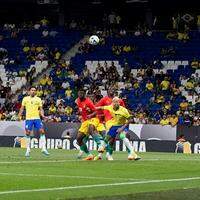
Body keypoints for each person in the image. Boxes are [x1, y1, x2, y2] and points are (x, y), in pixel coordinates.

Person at [18, 86, 49, 157]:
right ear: (29, 91)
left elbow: (41, 109)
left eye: (35, 90)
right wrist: (19, 115)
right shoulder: (25, 99)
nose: (33, 91)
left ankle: (43, 149)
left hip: (37, 118)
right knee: (28, 133)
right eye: (32, 90)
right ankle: (28, 150)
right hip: (28, 118)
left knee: (42, 131)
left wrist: (43, 115)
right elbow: (22, 108)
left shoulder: (38, 99)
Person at [75, 89, 105, 160]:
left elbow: (96, 112)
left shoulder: (88, 102)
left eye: (81, 94)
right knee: (79, 139)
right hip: (85, 121)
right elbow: (81, 109)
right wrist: (80, 114)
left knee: (91, 129)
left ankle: (100, 145)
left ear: (84, 95)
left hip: (93, 118)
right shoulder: (78, 100)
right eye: (79, 94)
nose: (80, 95)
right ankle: (89, 155)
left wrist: (90, 115)